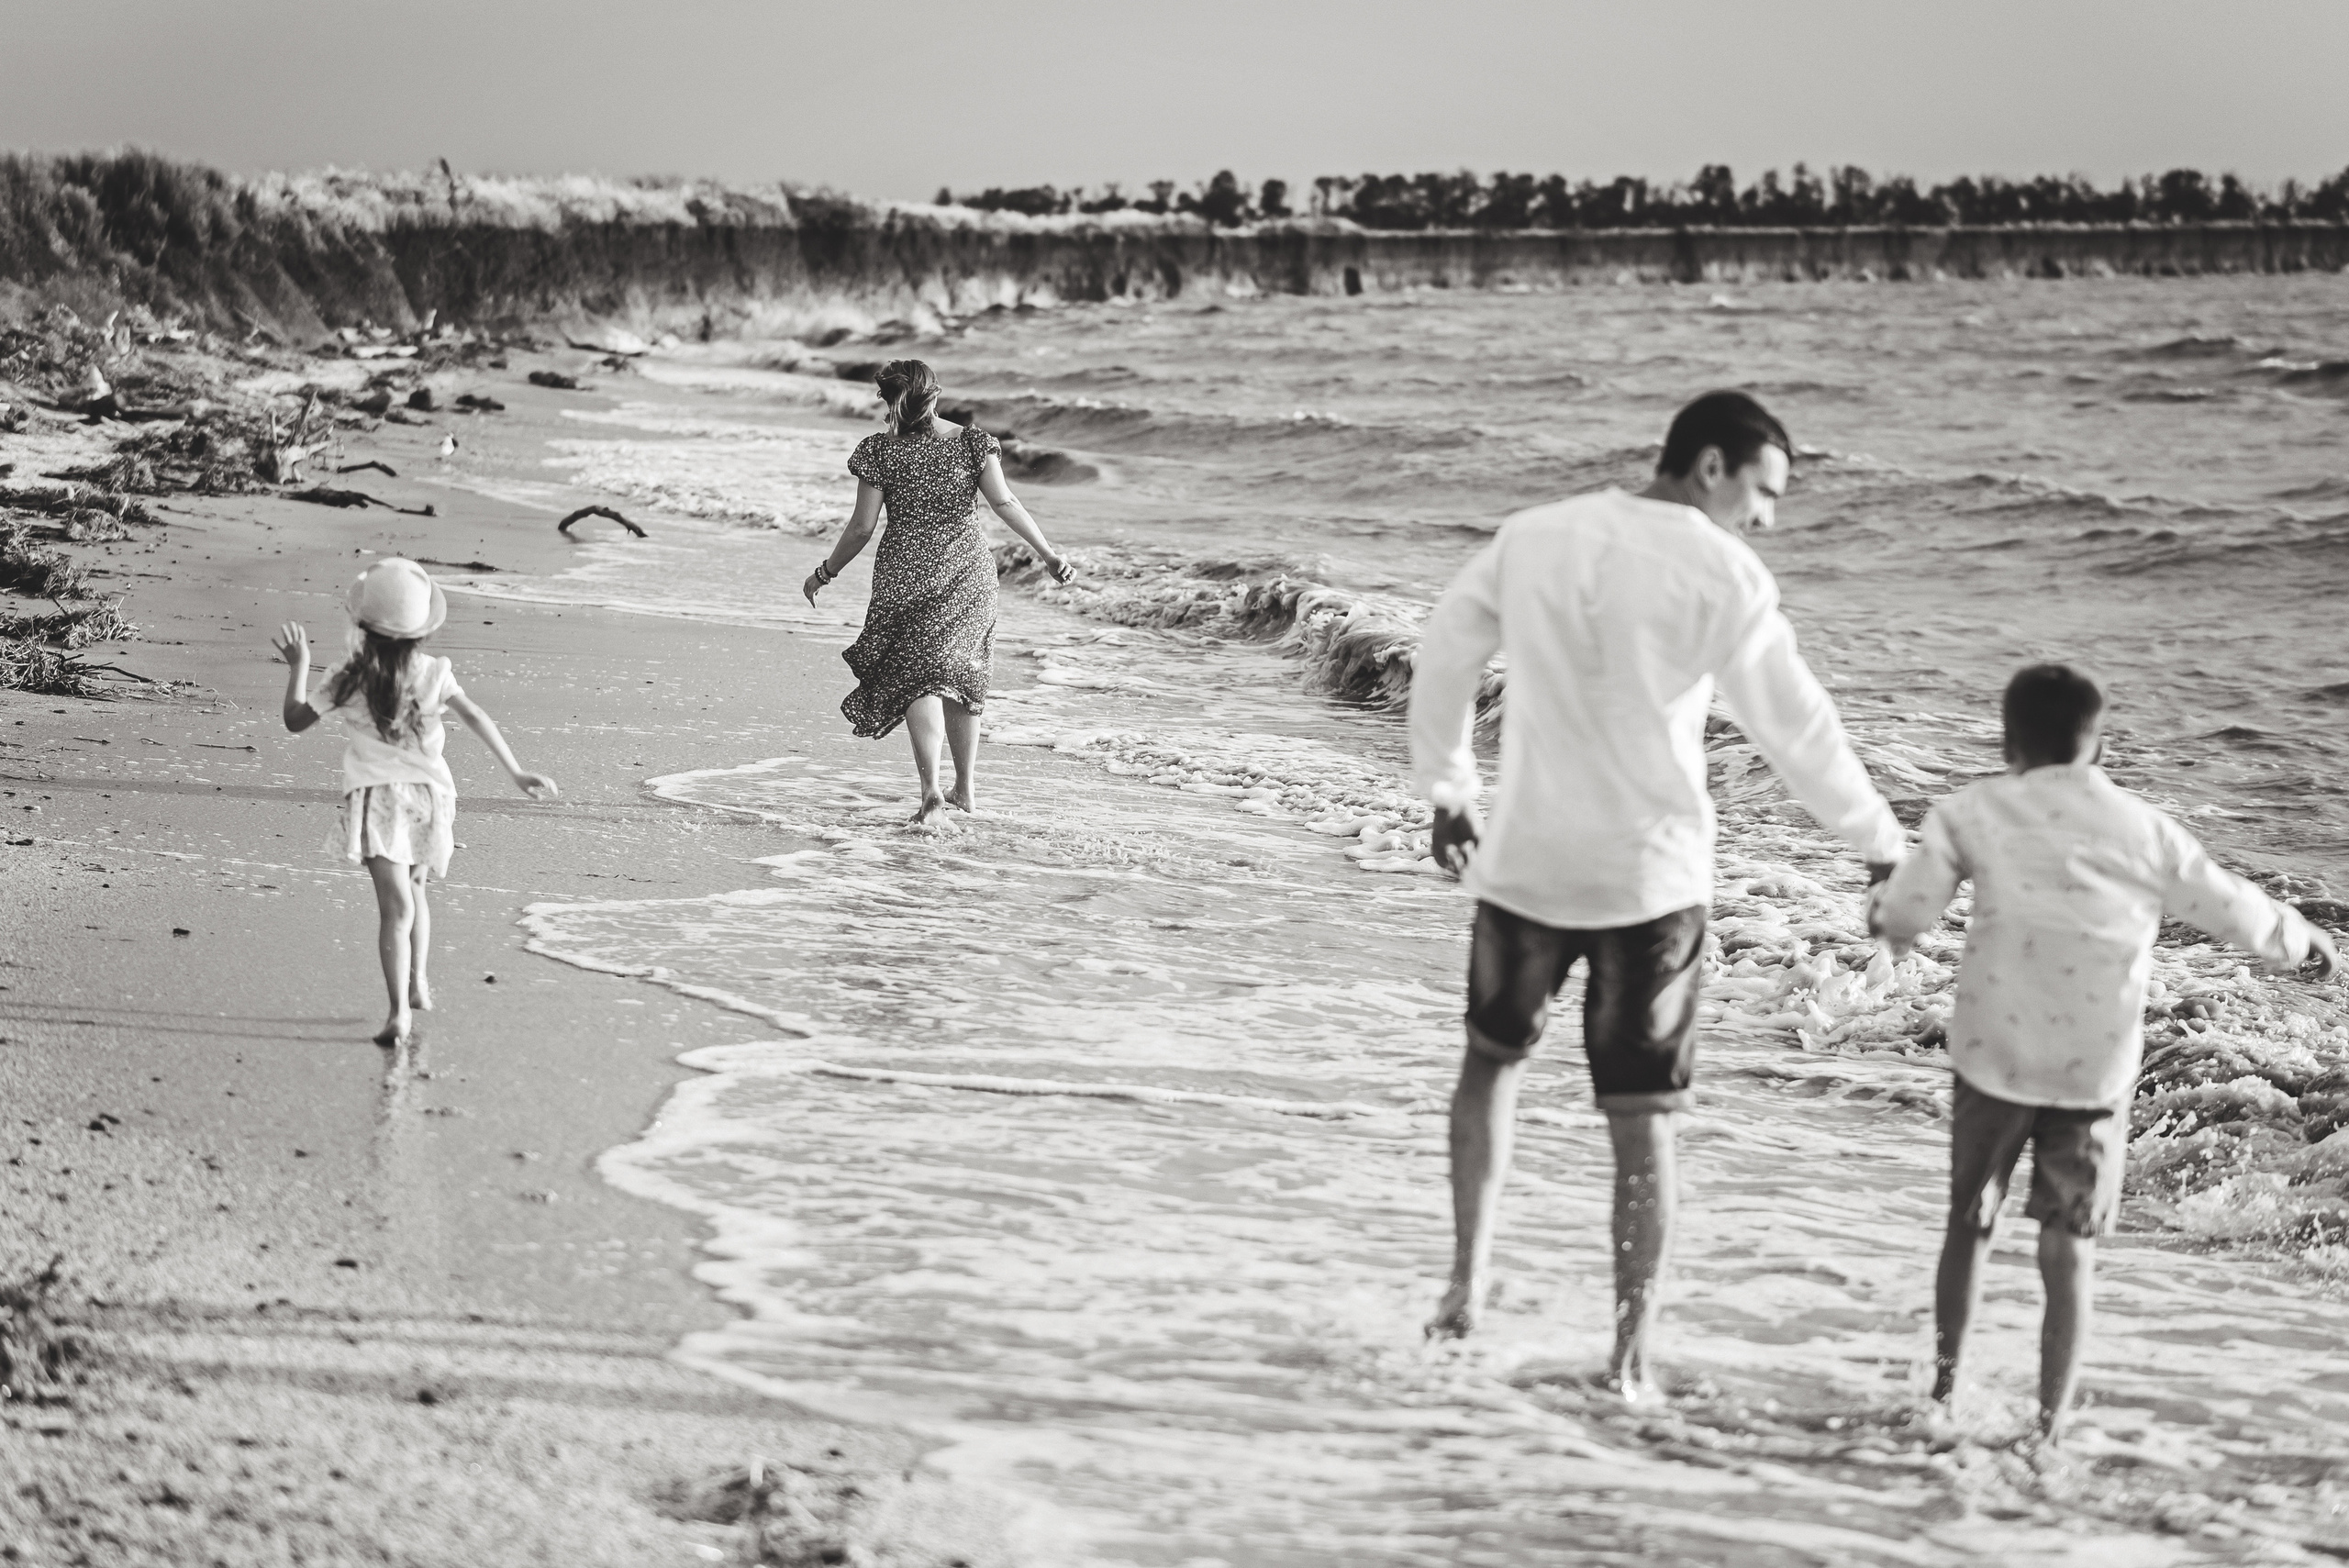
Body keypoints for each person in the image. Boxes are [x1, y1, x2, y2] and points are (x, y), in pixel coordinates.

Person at [1408, 390, 1903, 1398]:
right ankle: (1628, 1357)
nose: (1766, 516)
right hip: (1650, 882)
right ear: (1711, 466)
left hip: (1527, 863)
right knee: (1643, 1122)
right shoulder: (1723, 570)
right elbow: (1795, 730)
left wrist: (1449, 788)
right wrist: (1882, 843)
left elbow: (1446, 650)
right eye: (1763, 491)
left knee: (1491, 1065)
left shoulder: (1536, 534)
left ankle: (1466, 1282)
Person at [1868, 663, 2337, 1443]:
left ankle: (1945, 1392)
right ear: (2100, 742)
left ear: (2008, 740)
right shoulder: (2144, 827)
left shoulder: (1971, 810)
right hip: (2094, 1069)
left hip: (1995, 1054)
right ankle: (2048, 1426)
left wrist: (1880, 909)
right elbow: (2228, 903)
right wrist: (2300, 937)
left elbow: (1910, 913)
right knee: (2070, 1246)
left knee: (1969, 1221)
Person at [274, 558, 558, 1046]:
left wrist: (299, 667)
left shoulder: (348, 676)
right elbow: (475, 715)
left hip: (376, 799)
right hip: (431, 799)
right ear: (422, 629)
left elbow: (296, 720)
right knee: (416, 894)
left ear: (362, 623)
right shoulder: (433, 673)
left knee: (395, 909)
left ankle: (398, 1013)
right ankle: (418, 983)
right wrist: (515, 771)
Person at [804, 360, 1078, 827]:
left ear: (886, 400)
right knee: (962, 673)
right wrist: (1048, 555)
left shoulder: (879, 452)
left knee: (917, 676)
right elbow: (1005, 502)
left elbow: (862, 528)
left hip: (904, 574)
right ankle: (966, 790)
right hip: (968, 573)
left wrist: (825, 572)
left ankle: (932, 792)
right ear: (937, 394)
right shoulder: (973, 442)